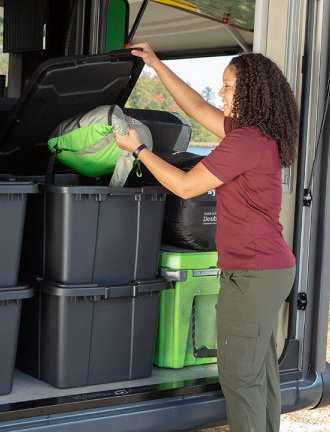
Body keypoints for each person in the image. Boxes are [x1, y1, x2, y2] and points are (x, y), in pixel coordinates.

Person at [114, 42, 298, 432]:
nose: (221, 93)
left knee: (239, 376)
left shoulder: (245, 142)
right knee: (259, 370)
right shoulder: (255, 135)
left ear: (250, 91)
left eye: (228, 86)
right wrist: (155, 63)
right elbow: (196, 108)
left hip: (252, 272)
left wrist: (139, 150)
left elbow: (184, 185)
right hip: (268, 269)